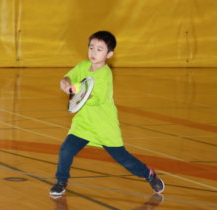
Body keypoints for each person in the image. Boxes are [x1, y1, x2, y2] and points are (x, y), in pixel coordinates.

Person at [50, 31, 164, 196]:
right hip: (85, 122)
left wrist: (77, 90)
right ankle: (61, 181)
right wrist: (65, 82)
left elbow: (92, 97)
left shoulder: (105, 74)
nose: (94, 52)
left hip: (105, 125)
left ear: (109, 54)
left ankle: (149, 174)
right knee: (66, 150)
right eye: (91, 47)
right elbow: (70, 76)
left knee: (123, 158)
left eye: (99, 49)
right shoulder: (83, 66)